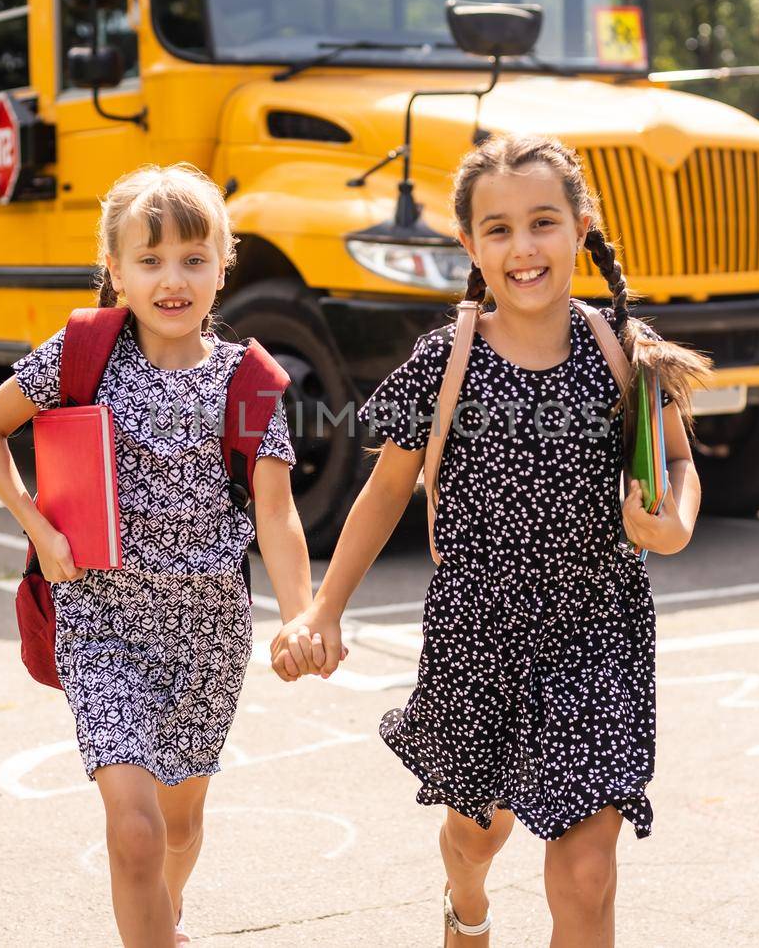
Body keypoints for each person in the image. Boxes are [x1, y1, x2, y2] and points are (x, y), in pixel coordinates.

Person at [272, 134, 711, 947]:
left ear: (583, 226)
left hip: (597, 628)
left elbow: (678, 461)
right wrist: (325, 609)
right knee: (479, 833)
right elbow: (384, 490)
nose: (524, 247)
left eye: (543, 222)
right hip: (479, 632)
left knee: (587, 871)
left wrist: (675, 520)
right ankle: (463, 900)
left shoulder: (624, 349)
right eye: (499, 229)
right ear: (469, 245)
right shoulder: (449, 360)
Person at [0, 164, 321, 947]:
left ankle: (167, 910)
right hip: (102, 626)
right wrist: (39, 527)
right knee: (133, 831)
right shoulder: (81, 352)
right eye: (150, 259)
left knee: (178, 826)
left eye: (194, 258)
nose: (173, 279)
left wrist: (303, 616)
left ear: (223, 266)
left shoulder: (251, 381)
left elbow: (277, 511)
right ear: (115, 269)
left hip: (207, 638)